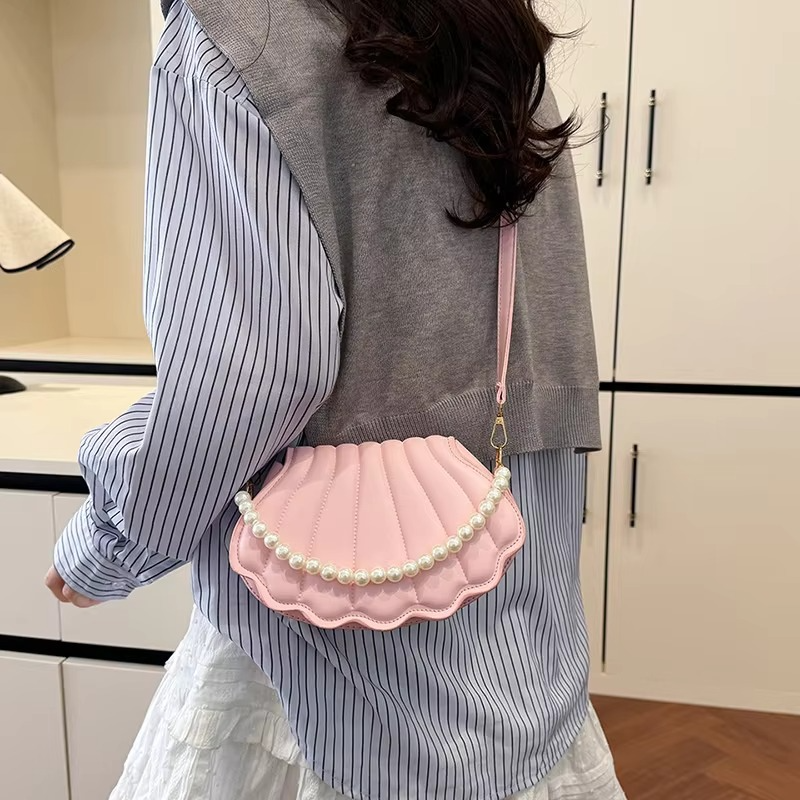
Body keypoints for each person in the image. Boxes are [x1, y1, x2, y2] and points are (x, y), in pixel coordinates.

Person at [45, 1, 626, 798]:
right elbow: (538, 310)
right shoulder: (485, 24)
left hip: (322, 661)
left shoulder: (239, 32)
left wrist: (114, 541)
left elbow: (251, 372)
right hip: (519, 638)